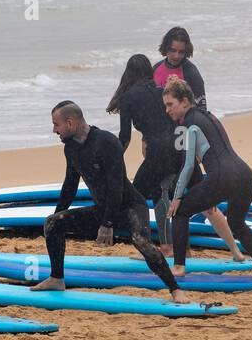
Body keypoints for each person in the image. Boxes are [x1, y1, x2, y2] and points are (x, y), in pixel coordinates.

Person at [31, 101, 185, 302]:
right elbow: (70, 185)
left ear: (70, 123)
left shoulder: (106, 142)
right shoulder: (70, 148)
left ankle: (175, 289)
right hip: (104, 209)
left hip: (130, 206)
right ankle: (57, 278)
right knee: (52, 223)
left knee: (140, 241)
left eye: (56, 124)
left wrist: (107, 224)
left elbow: (116, 187)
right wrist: (57, 215)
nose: (54, 130)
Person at [107, 54, 234, 255]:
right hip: (181, 151)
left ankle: (155, 249)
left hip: (157, 156)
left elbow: (124, 138)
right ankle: (234, 250)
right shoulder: (162, 93)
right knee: (206, 204)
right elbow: (179, 122)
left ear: (128, 74)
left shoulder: (128, 98)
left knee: (135, 199)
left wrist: (113, 160)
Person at [163, 78, 252, 277]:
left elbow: (188, 165)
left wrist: (177, 197)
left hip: (221, 177)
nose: (168, 110)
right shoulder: (209, 116)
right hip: (245, 175)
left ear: (185, 101)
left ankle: (178, 266)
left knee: (179, 213)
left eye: (170, 104)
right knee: (237, 223)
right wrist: (205, 192)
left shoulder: (188, 124)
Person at [153, 26, 206, 108]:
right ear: (166, 47)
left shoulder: (191, 73)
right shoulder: (156, 69)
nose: (176, 56)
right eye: (173, 50)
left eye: (181, 52)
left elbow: (202, 109)